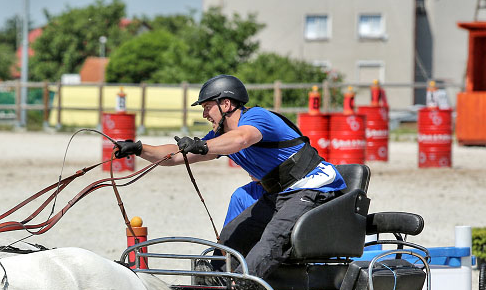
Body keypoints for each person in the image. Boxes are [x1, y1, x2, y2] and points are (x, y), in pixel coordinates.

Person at [113, 75, 346, 279]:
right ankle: (215, 285)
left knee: (270, 243)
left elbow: (242, 139)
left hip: (314, 189)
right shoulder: (220, 135)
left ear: (226, 104)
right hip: (281, 194)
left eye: (207, 107)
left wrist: (202, 145)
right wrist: (139, 148)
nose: (204, 114)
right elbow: (175, 157)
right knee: (230, 238)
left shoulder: (256, 118)